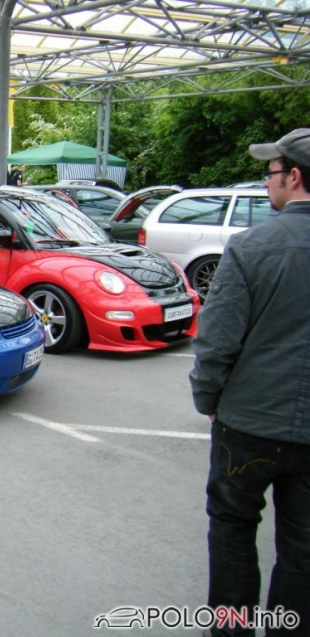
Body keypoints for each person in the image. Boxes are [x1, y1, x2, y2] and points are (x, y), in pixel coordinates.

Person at [190, 128, 310, 637]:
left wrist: (209, 399)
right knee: (304, 549)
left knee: (233, 529)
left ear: (294, 176)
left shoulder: (251, 247)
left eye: (270, 172)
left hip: (248, 424)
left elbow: (217, 342)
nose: (266, 182)